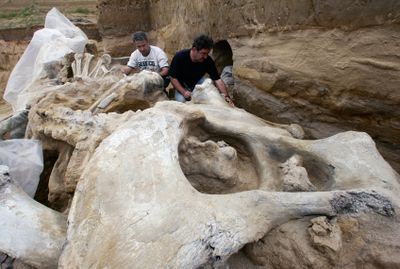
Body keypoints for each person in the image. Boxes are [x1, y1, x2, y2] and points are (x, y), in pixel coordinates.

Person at [169, 34, 234, 105]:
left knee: (209, 83)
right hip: (182, 86)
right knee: (182, 102)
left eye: (207, 54)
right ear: (194, 50)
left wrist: (227, 97)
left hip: (198, 84)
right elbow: (173, 78)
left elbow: (217, 79)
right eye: (203, 53)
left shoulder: (208, 61)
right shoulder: (180, 57)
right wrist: (184, 92)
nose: (205, 57)